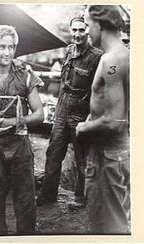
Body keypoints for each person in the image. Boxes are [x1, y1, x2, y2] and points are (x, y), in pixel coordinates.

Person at [0, 25, 44, 235]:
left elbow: (40, 115)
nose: (7, 52)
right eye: (2, 46)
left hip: (20, 148)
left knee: (25, 202)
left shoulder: (25, 76)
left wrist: (13, 122)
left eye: (11, 47)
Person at [37, 16, 102, 207]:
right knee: (53, 153)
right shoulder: (69, 51)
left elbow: (100, 90)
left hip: (81, 112)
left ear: (88, 31)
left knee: (82, 157)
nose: (77, 34)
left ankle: (81, 198)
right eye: (74, 30)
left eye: (81, 30)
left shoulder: (97, 57)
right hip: (62, 109)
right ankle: (48, 195)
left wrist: (92, 116)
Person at [76, 5, 130, 234]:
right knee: (101, 220)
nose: (87, 32)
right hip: (106, 153)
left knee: (111, 226)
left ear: (99, 24)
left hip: (109, 154)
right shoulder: (120, 55)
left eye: (87, 25)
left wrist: (83, 127)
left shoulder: (112, 61)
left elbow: (114, 121)